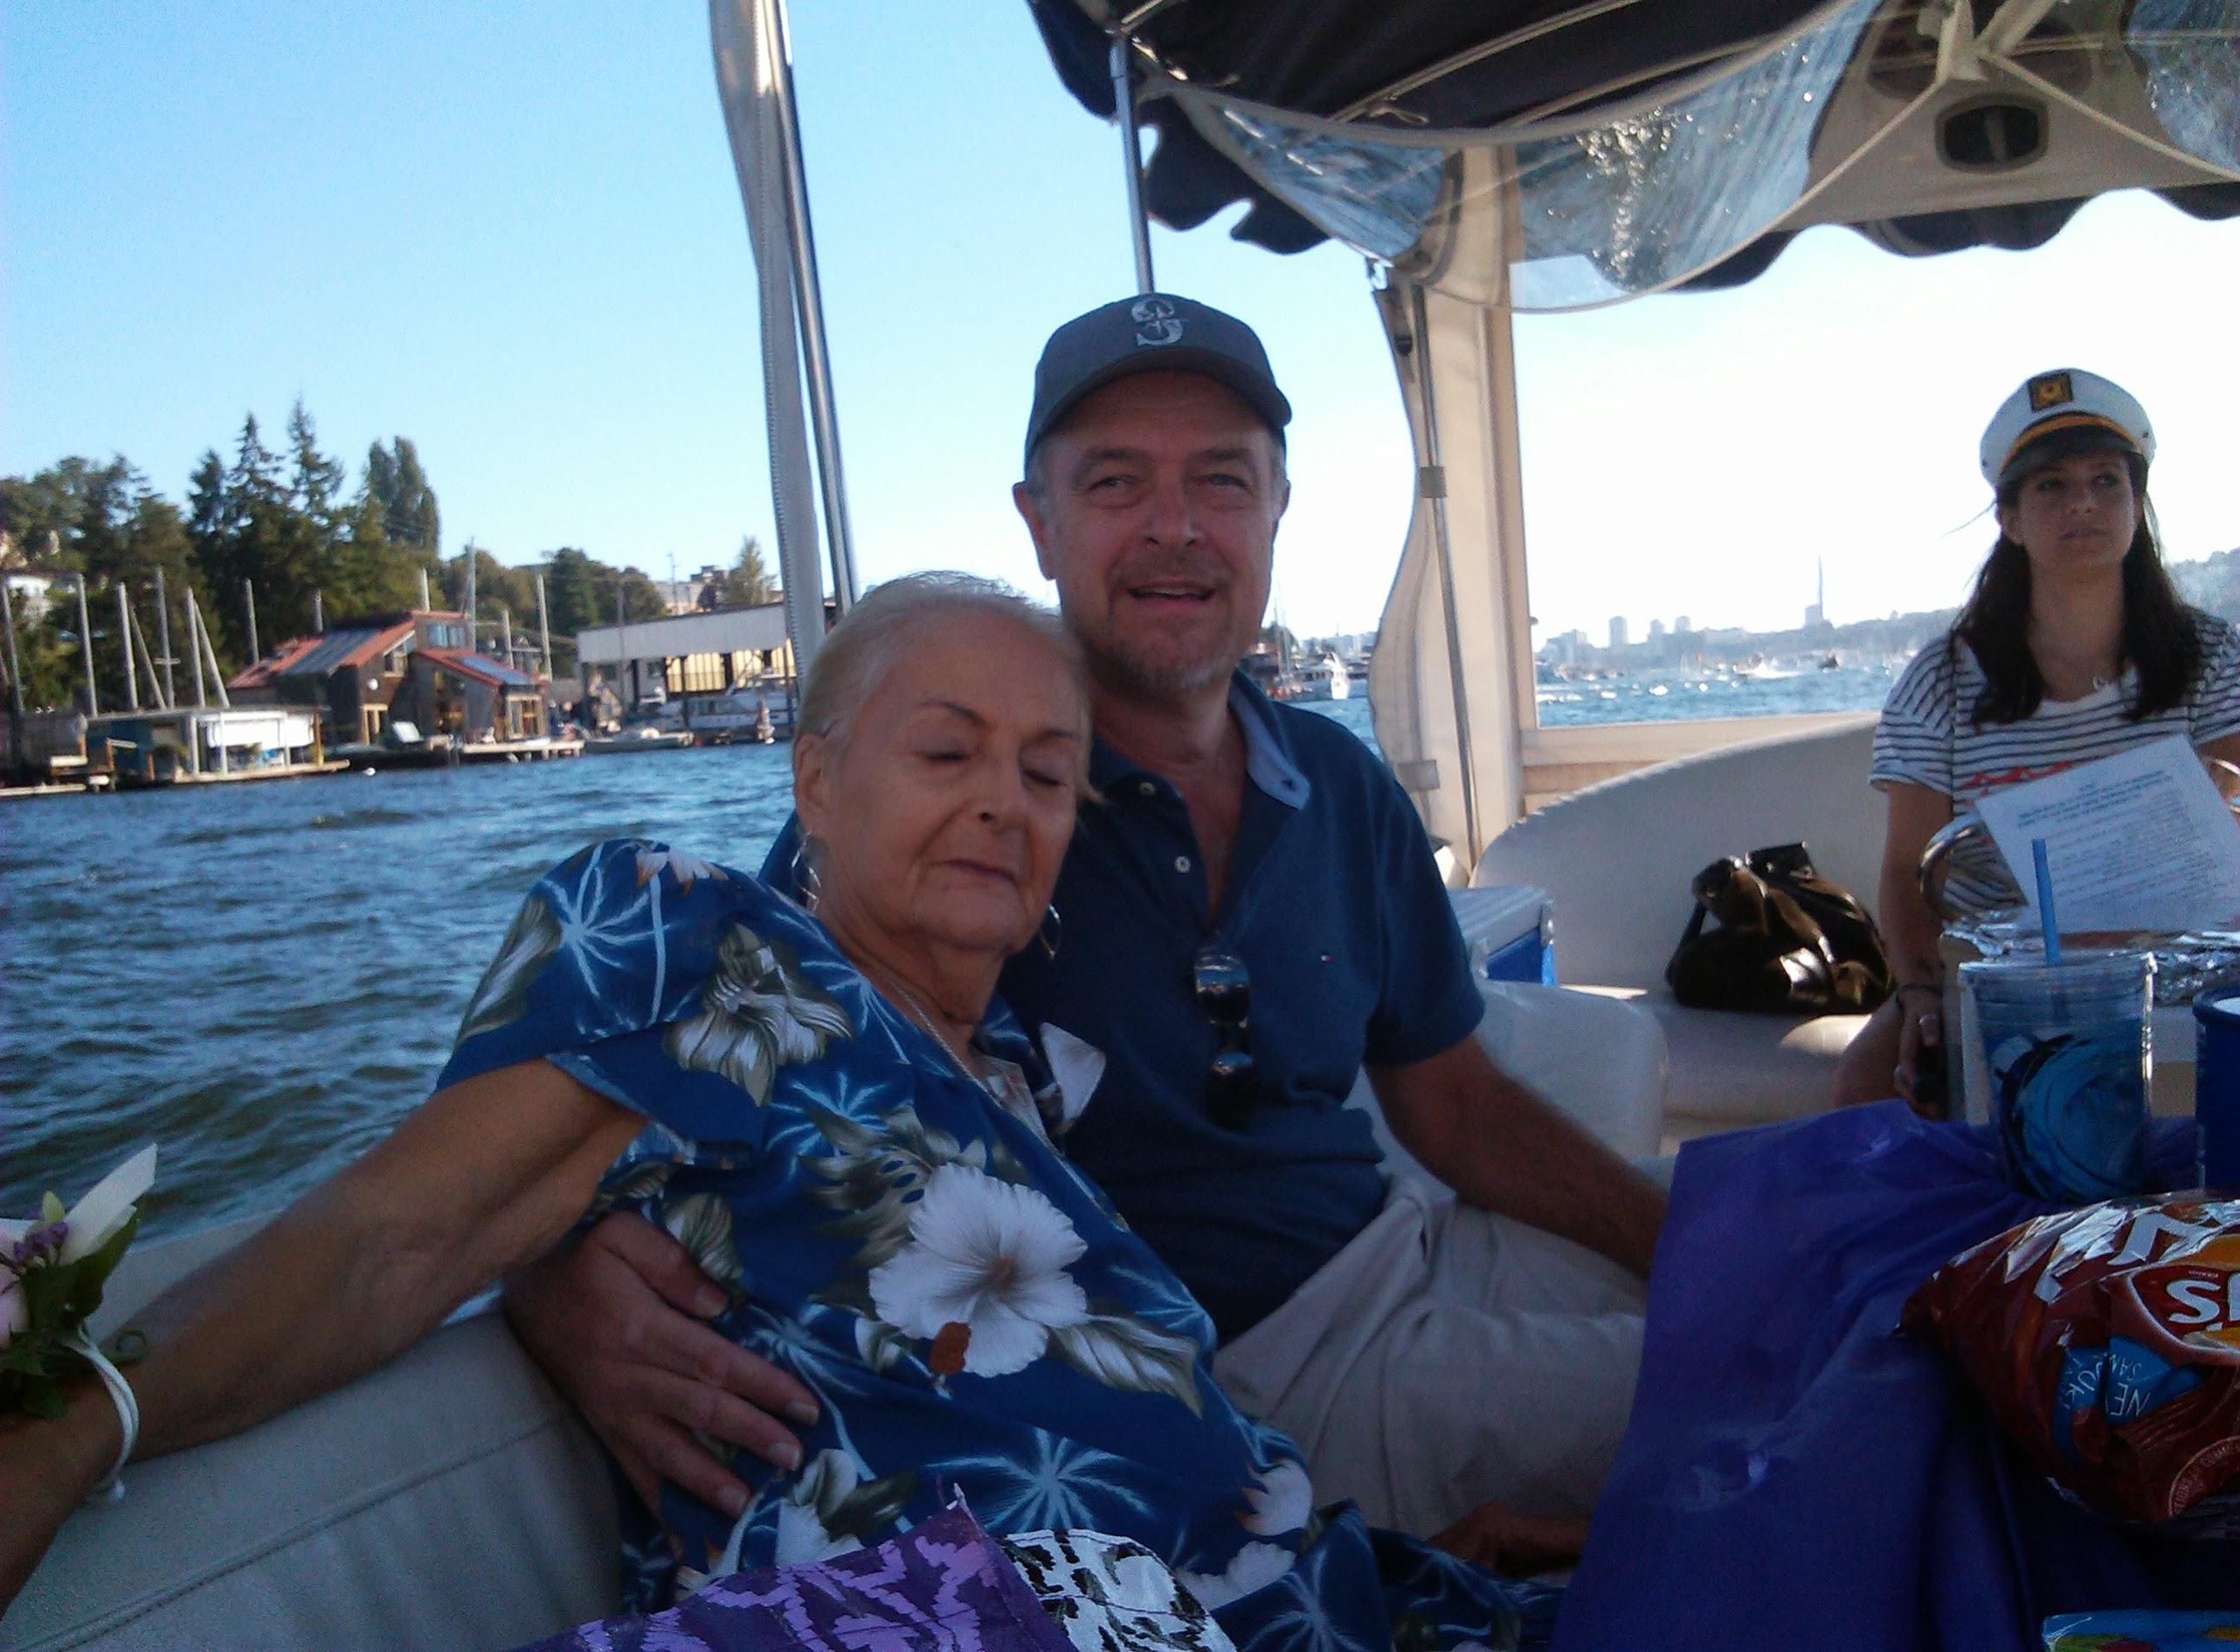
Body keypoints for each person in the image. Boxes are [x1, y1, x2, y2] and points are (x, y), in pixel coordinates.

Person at [0, 575, 1553, 1649]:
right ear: (813, 780)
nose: (1007, 798)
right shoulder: (700, 946)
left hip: (1328, 1594)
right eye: (946, 749)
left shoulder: (1024, 1063)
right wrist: (68, 1431)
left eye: (1051, 771)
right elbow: (388, 1238)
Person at [508, 294, 1669, 1547]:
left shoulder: (1337, 785)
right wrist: (546, 1279)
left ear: (1278, 506)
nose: (1176, 528)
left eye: (1221, 481)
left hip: (1414, 1244)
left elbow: (1458, 1105)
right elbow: (704, 1093)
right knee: (1802, 1367)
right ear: (1038, 522)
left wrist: (1683, 1245)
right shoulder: (954, 818)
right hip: (1264, 1376)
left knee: (1805, 1252)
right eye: (1116, 482)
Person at [1836, 368, 2240, 1107]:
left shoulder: (2210, 658)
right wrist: (1922, 995)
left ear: (2137, 505)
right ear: (2011, 519)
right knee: (1859, 1092)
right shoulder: (1941, 683)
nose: (2082, 501)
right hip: (1998, 970)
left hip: (2191, 962)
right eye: (2051, 486)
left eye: (2106, 481)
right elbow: (1904, 873)